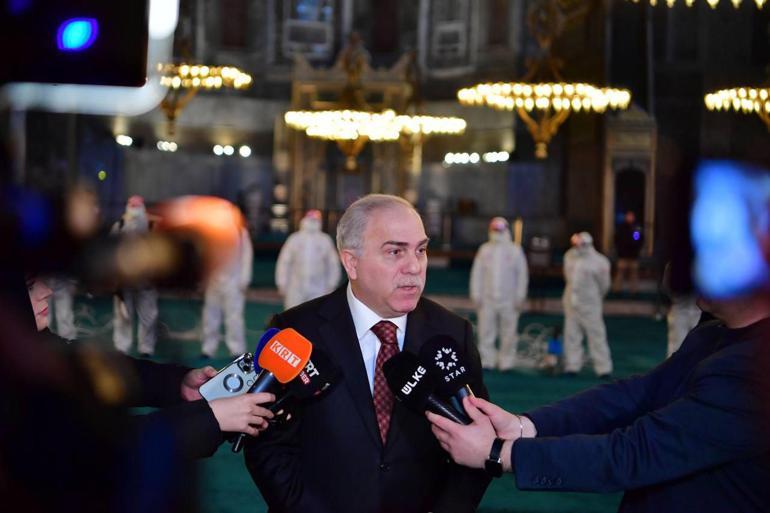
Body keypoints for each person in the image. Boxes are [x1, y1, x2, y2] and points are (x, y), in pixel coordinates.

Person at [427, 283, 770, 512]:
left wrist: (497, 454)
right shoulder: (715, 333)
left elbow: (633, 454)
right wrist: (524, 426)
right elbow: (639, 394)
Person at [245, 194, 491, 513]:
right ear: (351, 262)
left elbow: (478, 442)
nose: (415, 267)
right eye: (395, 251)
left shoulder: (451, 333)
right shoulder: (295, 331)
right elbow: (267, 443)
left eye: (421, 250)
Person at [26, 275, 275, 459]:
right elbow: (99, 449)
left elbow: (91, 370)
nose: (46, 291)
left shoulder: (31, 341)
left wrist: (178, 385)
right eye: (28, 286)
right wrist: (210, 419)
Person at [469, 217, 529, 370]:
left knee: (508, 332)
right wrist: (476, 293)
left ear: (506, 229)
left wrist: (520, 296)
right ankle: (487, 360)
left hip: (509, 300)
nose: (497, 232)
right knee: (486, 331)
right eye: (494, 229)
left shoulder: (515, 250)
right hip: (488, 299)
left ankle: (506, 361)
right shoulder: (485, 249)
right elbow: (477, 273)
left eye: (500, 229)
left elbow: (522, 275)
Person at [111, 195, 159, 357]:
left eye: (138, 205)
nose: (135, 208)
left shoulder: (153, 226)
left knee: (148, 316)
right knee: (123, 314)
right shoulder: (119, 226)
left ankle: (146, 348)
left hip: (147, 281)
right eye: (132, 205)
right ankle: (122, 346)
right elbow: (110, 251)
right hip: (124, 280)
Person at [562, 232, 613, 378]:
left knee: (596, 335)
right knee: (572, 335)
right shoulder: (569, 257)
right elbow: (568, 278)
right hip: (571, 302)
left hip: (590, 305)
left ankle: (603, 367)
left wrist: (593, 298)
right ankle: (572, 365)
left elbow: (604, 285)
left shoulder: (600, 262)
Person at [201, 222, 253, 359]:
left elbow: (247, 256)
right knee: (210, 315)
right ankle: (208, 348)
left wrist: (244, 278)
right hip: (214, 281)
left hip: (234, 282)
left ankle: (236, 349)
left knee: (234, 317)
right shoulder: (212, 230)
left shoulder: (241, 232)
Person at [274, 209, 341, 310]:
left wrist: (331, 284)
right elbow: (284, 262)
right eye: (310, 220)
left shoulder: (324, 240)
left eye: (314, 220)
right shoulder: (295, 239)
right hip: (296, 287)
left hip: (319, 288)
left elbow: (333, 264)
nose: (312, 222)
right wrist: (282, 282)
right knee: (293, 317)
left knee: (316, 319)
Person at [613, 210, 644, 294]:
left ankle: (634, 291)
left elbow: (637, 240)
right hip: (622, 255)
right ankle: (617, 290)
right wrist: (620, 250)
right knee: (620, 274)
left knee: (634, 275)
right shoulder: (621, 228)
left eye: (631, 216)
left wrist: (636, 249)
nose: (630, 218)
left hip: (633, 256)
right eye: (628, 216)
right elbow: (617, 240)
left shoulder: (636, 228)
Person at [46, 274, 77, 340]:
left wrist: (72, 282)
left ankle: (68, 339)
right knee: (43, 317)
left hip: (61, 284)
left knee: (64, 316)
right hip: (41, 284)